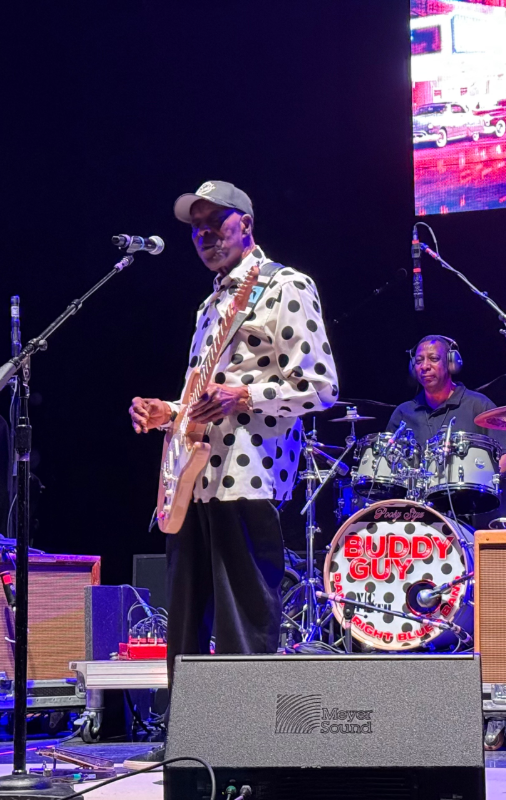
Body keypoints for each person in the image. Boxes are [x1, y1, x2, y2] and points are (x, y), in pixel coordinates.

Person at [128, 180, 339, 681]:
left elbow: (322, 386)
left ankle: (246, 747)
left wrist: (245, 396)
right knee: (185, 625)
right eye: (196, 228)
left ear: (245, 225)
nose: (204, 235)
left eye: (215, 224)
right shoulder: (209, 306)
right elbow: (207, 392)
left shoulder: (286, 286)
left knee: (242, 622)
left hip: (246, 477)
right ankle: (190, 743)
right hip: (192, 481)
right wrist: (170, 411)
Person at [387, 334, 506, 475]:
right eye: (418, 361)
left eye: (434, 359)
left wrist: (481, 481)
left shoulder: (479, 406)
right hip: (415, 496)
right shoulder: (403, 413)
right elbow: (387, 462)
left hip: (469, 495)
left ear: (451, 364)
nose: (424, 366)